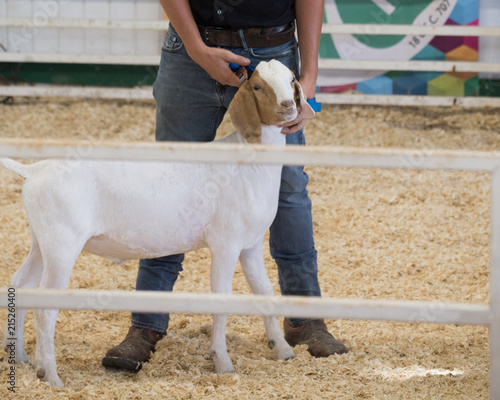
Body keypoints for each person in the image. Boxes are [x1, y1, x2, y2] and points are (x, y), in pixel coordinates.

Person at [102, 0, 347, 372]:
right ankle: (147, 325)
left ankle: (305, 318)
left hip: (273, 54)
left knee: (289, 187)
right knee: (172, 182)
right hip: (191, 49)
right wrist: (197, 49)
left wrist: (308, 76)